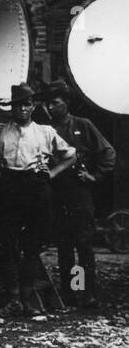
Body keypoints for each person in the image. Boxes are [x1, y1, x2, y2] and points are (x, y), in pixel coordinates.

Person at [0, 83, 77, 316]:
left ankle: (28, 297)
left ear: (33, 107)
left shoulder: (45, 132)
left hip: (36, 187)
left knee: (32, 245)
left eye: (27, 104)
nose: (22, 109)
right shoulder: (0, 130)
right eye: (18, 105)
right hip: (9, 187)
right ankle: (12, 299)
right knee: (6, 241)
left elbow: (70, 155)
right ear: (12, 108)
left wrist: (52, 173)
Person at [40, 79, 116, 308]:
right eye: (48, 104)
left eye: (55, 103)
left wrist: (95, 176)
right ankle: (70, 293)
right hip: (56, 193)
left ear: (66, 104)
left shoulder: (83, 125)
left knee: (83, 244)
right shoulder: (46, 130)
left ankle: (86, 292)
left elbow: (108, 153)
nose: (51, 108)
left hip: (79, 193)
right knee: (63, 246)